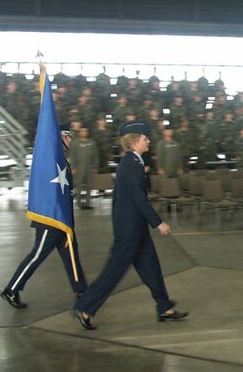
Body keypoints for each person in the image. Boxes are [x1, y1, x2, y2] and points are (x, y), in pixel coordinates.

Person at [73, 121, 188, 330]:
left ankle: (165, 307)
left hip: (136, 228)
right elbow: (138, 199)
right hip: (129, 231)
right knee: (114, 271)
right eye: (145, 139)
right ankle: (85, 308)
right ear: (135, 142)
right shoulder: (131, 164)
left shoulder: (131, 162)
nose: (149, 141)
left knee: (151, 269)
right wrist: (158, 222)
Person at [0, 123, 87, 309]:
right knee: (37, 255)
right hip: (51, 218)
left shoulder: (61, 159)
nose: (71, 139)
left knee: (71, 255)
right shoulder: (50, 160)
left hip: (63, 219)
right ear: (60, 137)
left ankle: (82, 291)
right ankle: (11, 289)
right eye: (68, 135)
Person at [70, 126, 100, 209]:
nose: (84, 133)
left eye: (85, 131)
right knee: (78, 186)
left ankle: (87, 203)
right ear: (79, 132)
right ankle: (79, 203)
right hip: (79, 168)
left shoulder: (91, 142)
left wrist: (95, 166)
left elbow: (96, 155)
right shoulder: (75, 143)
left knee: (89, 186)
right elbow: (72, 156)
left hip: (89, 168)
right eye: (82, 131)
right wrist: (73, 167)